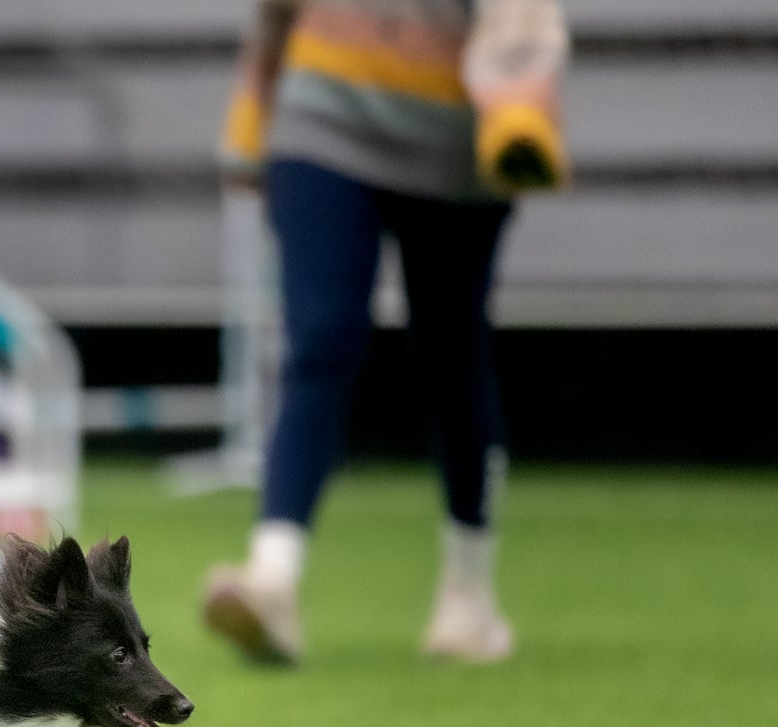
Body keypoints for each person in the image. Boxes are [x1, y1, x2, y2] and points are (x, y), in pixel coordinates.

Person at [202, 0, 569, 664]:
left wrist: (520, 103)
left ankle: (469, 598)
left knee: (454, 356)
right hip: (321, 118)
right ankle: (273, 579)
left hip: (458, 143)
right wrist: (255, 98)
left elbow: (522, 14)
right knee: (318, 343)